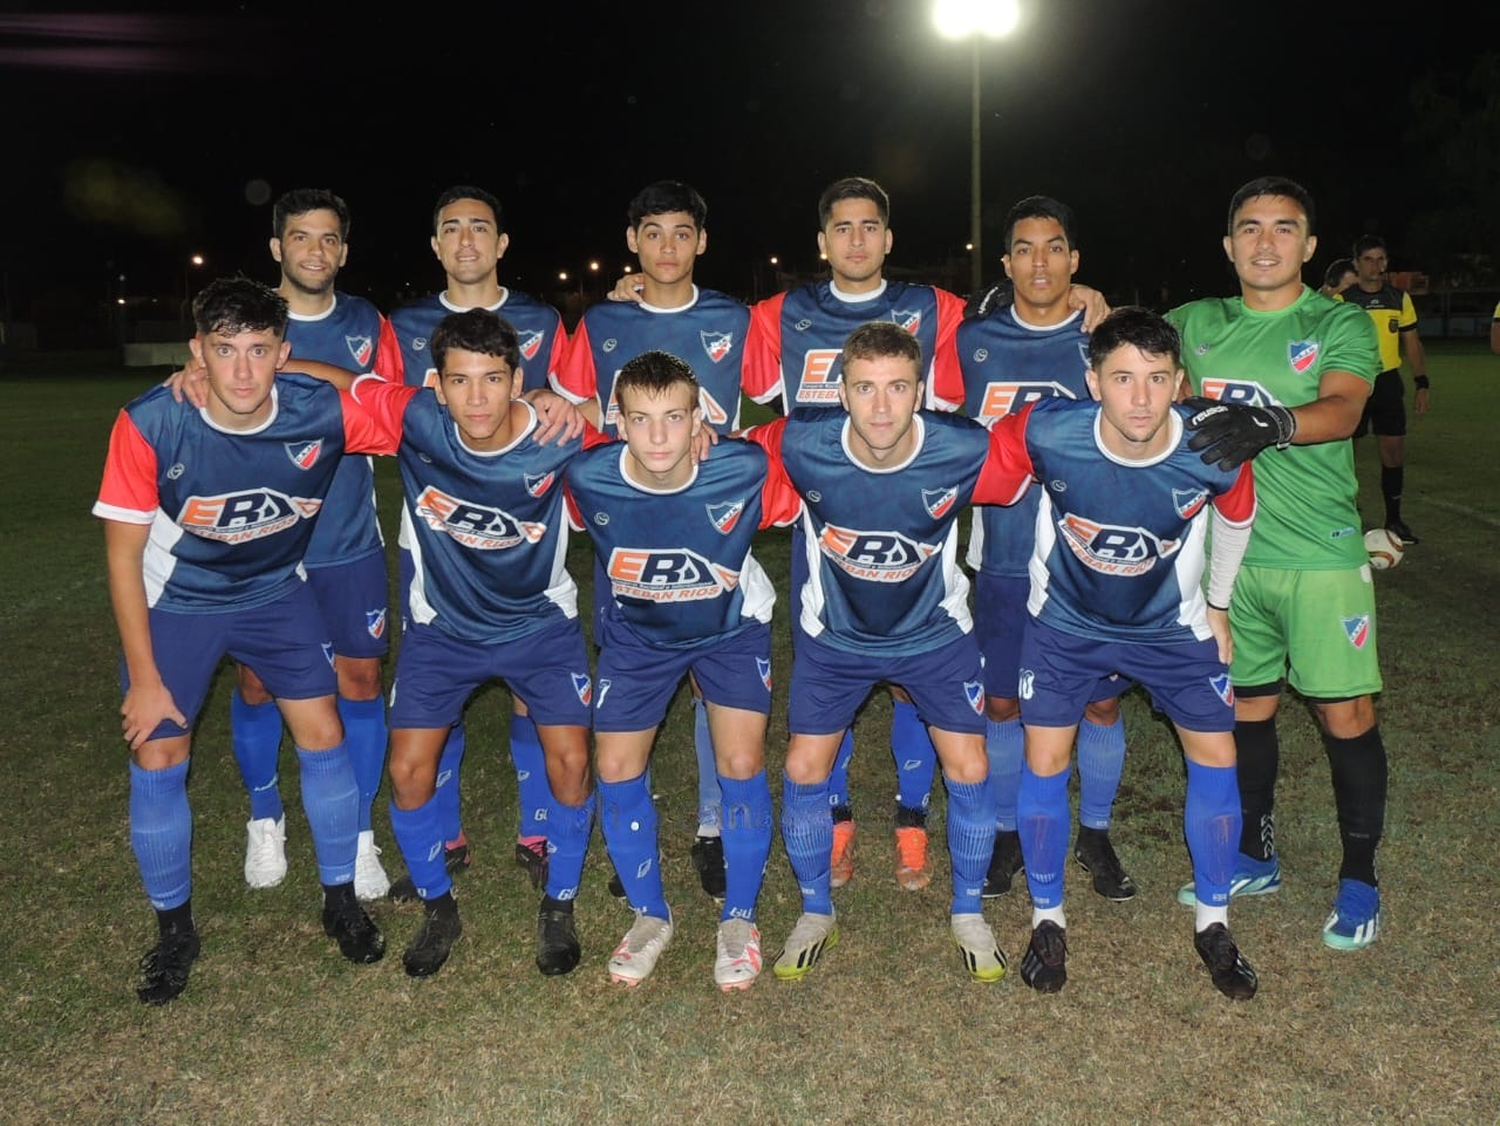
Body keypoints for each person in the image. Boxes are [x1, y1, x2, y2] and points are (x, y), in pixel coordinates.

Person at [95, 277, 386, 1004]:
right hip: (180, 601)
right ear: (197, 351)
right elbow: (122, 558)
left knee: (323, 734)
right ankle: (174, 930)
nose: (244, 371)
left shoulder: (320, 408)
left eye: (260, 351)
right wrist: (145, 678)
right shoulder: (152, 422)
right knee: (159, 746)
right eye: (225, 351)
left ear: (283, 354)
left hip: (272, 592)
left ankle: (339, 897)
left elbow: (418, 405)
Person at [288, 307, 595, 978]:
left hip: (538, 627)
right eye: (460, 381)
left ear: (518, 379)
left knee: (572, 765)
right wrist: (263, 363)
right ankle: (438, 905)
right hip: (442, 632)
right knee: (406, 771)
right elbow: (345, 381)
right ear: (437, 385)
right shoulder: (418, 420)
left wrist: (690, 438)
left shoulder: (559, 436)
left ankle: (559, 901)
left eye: (492, 379)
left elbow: (640, 456)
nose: (477, 398)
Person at [744, 320, 1027, 984]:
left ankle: (966, 911)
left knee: (971, 760)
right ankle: (816, 911)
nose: (880, 407)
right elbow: (715, 453)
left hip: (933, 637)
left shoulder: (961, 447)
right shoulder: (800, 442)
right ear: (839, 391)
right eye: (864, 388)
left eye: (897, 387)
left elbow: (1047, 442)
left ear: (920, 390)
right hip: (835, 639)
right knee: (804, 765)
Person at [991, 307, 1259, 1000]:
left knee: (1218, 756)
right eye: (1122, 378)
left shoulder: (1213, 444)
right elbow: (975, 466)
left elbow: (1237, 514)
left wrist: (1220, 605)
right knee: (1045, 758)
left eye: (1157, 378)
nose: (1140, 398)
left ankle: (1214, 921)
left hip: (1172, 629)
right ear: (1092, 381)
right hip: (1066, 626)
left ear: (1179, 381)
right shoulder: (1048, 430)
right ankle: (1048, 919)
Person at [1169, 175, 1387, 953]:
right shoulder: (1194, 322)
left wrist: (1276, 422)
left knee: (1344, 715)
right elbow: (1125, 360)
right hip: (1228, 562)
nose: (1266, 243)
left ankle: (1360, 877)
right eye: (1250, 229)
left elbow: (1346, 408)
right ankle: (1257, 856)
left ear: (1310, 245)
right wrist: (1090, 301)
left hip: (1320, 557)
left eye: (1284, 228)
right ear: (1228, 247)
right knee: (1244, 710)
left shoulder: (1339, 321)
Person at [740, 177, 958, 892]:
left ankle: (910, 820)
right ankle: (835, 818)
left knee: (909, 682)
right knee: (825, 680)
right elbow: (714, 372)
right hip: (823, 525)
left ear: (889, 238)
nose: (857, 240)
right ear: (822, 240)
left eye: (870, 226)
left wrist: (1087, 299)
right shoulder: (779, 314)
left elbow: (1015, 324)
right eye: (843, 227)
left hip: (910, 516)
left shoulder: (934, 308)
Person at [565, 351, 799, 990]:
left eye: (675, 416)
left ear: (702, 418)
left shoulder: (743, 466)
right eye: (641, 419)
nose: (660, 436)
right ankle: (650, 916)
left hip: (730, 630)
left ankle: (739, 919)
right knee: (614, 767)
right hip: (639, 638)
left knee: (742, 765)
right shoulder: (588, 476)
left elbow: (804, 435)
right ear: (617, 421)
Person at [553, 181, 753, 901]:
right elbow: (574, 402)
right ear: (632, 241)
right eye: (653, 233)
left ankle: (710, 828)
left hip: (712, 527)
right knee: (629, 683)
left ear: (702, 240)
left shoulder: (737, 317)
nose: (667, 247)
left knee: (712, 686)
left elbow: (795, 377)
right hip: (629, 536)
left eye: (681, 233)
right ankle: (628, 834)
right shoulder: (603, 321)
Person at [385, 186, 570, 898]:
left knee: (532, 689)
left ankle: (537, 828)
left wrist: (562, 401)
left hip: (519, 533)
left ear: (502, 242)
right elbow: (364, 396)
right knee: (437, 688)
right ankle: (444, 832)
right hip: (434, 533)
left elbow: (572, 399)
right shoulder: (401, 322)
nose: (466, 239)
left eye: (480, 227)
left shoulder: (541, 320)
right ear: (434, 244)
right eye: (450, 228)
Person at [956, 195, 1136, 903]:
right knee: (1001, 704)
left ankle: (1095, 829)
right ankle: (1006, 833)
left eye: (1055, 247)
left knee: (1099, 706)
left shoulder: (1107, 335)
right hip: (999, 552)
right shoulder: (969, 341)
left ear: (1075, 261)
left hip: (1089, 561)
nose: (1040, 261)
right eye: (1025, 248)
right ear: (1006, 264)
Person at [229, 188, 400, 901]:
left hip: (346, 537)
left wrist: (316, 377)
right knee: (257, 681)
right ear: (277, 247)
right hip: (261, 542)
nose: (315, 252)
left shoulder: (366, 321)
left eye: (329, 239)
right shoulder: (242, 319)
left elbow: (388, 412)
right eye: (300, 238)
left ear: (344, 250)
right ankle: (265, 816)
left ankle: (358, 833)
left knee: (360, 682)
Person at [1338, 235, 1430, 544]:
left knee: (1393, 453)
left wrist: (1421, 382)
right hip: (1354, 383)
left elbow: (1412, 343)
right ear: (1356, 264)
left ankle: (1395, 520)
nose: (1376, 265)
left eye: (1381, 259)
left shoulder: (1399, 298)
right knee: (1346, 455)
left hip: (1389, 383)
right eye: (1369, 259)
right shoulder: (1343, 301)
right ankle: (1346, 516)